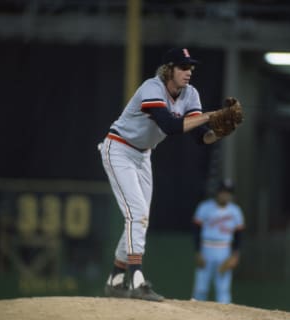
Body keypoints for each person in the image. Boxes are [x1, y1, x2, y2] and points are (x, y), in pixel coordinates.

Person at [98, 48, 227, 302]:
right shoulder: (152, 88)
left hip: (143, 154)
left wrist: (221, 131)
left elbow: (201, 138)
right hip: (119, 148)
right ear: (168, 69)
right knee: (136, 212)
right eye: (182, 67)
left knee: (140, 217)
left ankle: (115, 279)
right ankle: (136, 280)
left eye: (190, 67)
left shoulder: (191, 94)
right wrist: (211, 115)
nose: (188, 72)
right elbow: (169, 125)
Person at [191, 179, 244, 304]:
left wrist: (235, 256)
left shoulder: (235, 211)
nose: (225, 195)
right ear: (217, 192)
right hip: (206, 248)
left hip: (224, 250)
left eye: (228, 192)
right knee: (200, 289)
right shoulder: (205, 207)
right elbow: (196, 231)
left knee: (223, 290)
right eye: (223, 191)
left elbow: (239, 236)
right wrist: (198, 252)